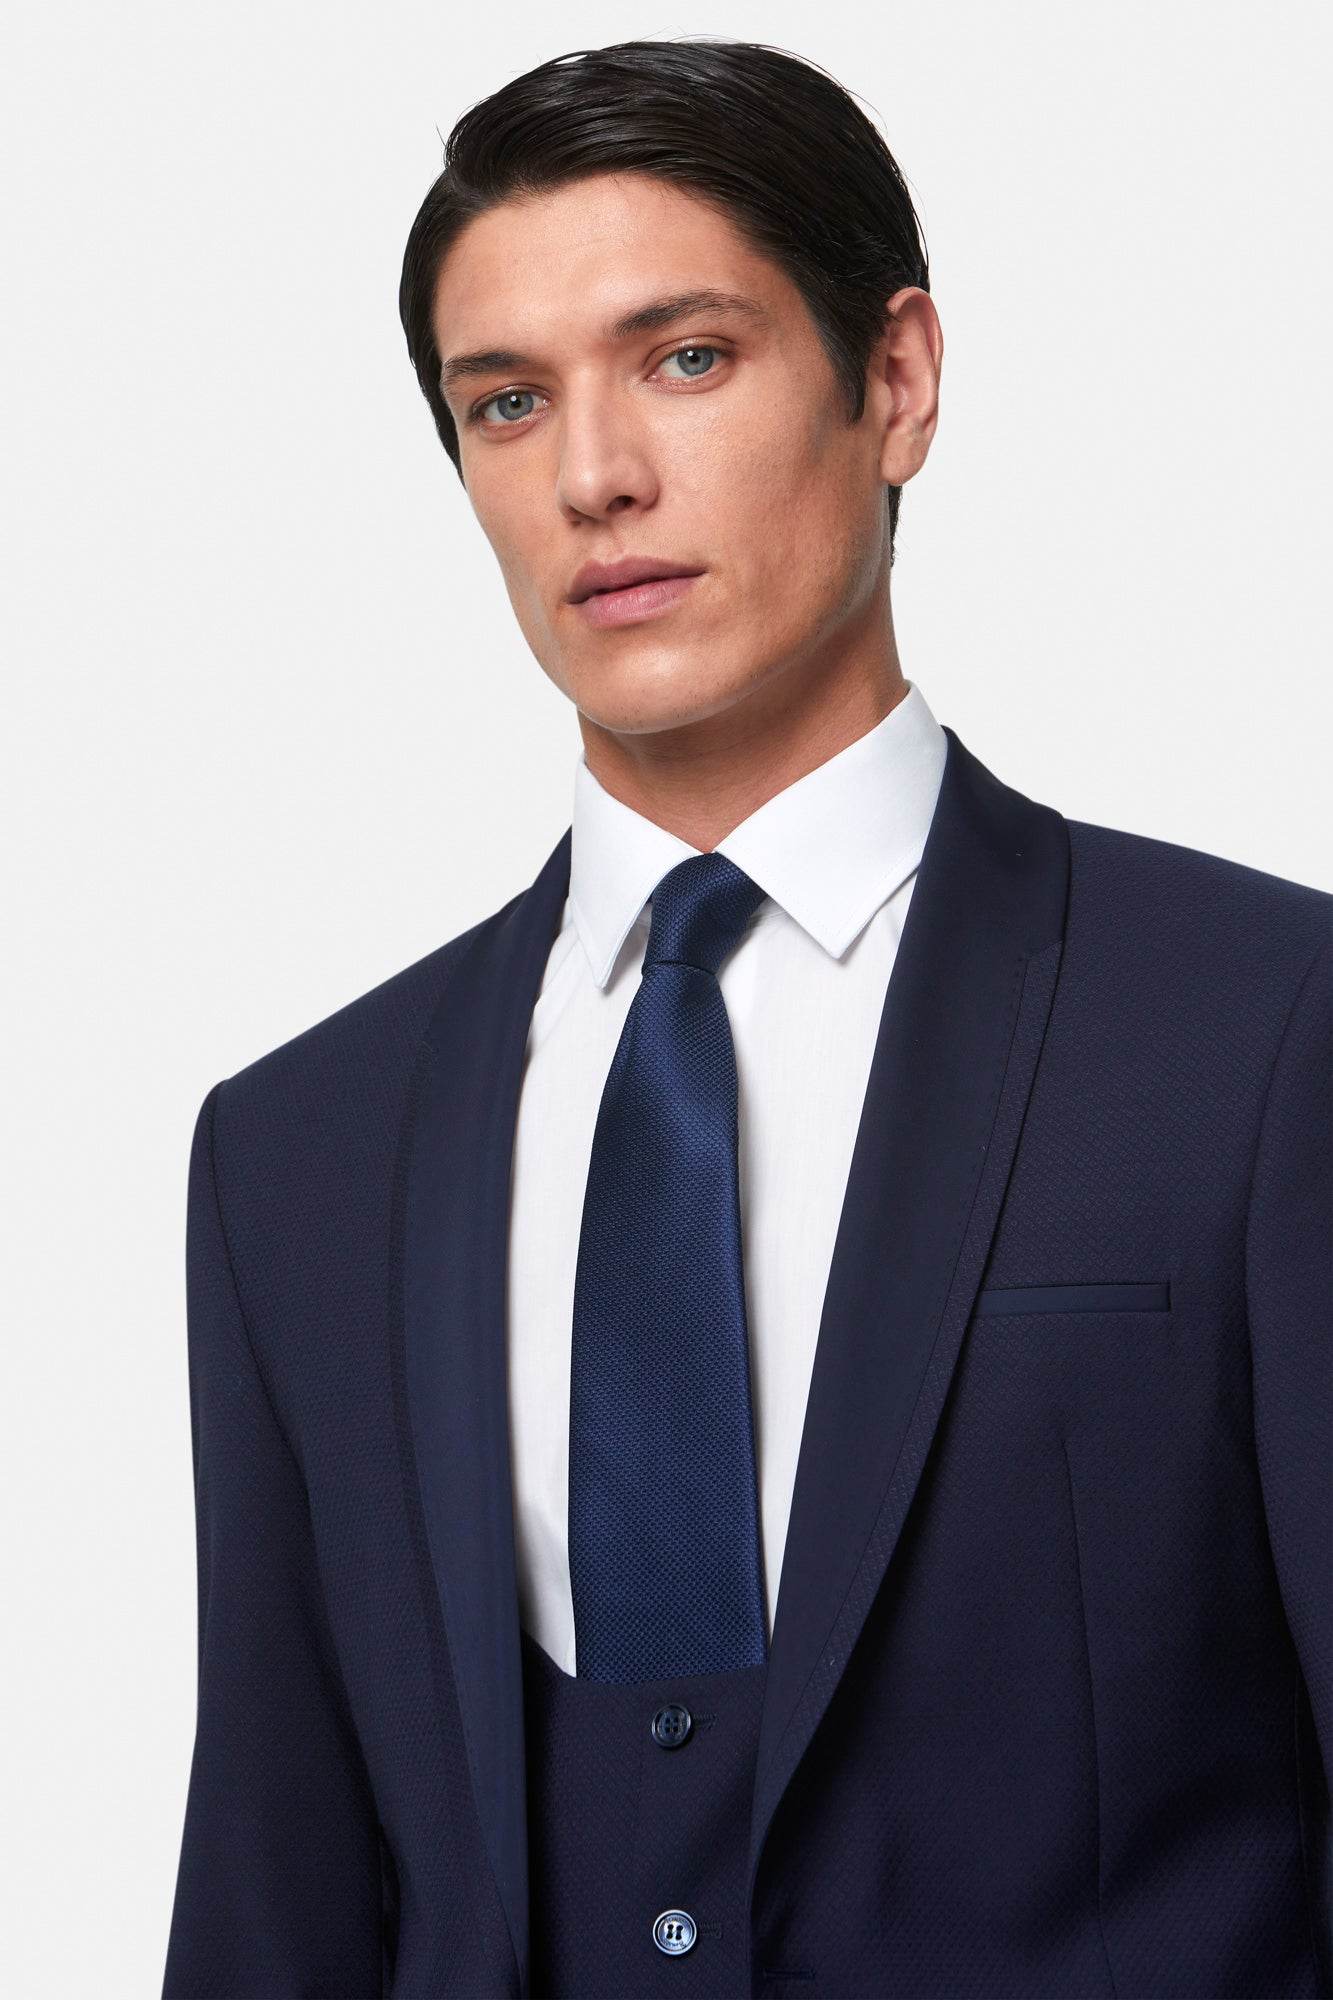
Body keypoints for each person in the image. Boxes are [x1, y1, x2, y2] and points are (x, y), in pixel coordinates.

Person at [161, 37, 1331, 2000]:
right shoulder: (297, 1149)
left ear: (897, 382)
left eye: (686, 357)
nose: (593, 476)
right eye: (507, 401)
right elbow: (273, 1897)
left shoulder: (1264, 1033)